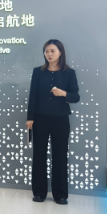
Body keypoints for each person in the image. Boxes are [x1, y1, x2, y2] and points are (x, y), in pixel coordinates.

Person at [26, 39, 80, 205]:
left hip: (60, 119)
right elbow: (33, 95)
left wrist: (64, 94)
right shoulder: (38, 72)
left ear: (60, 52)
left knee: (60, 155)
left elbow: (76, 97)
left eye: (52, 51)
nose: (49, 54)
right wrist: (30, 118)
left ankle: (60, 194)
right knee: (39, 155)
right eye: (46, 51)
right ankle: (39, 193)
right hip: (40, 118)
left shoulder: (69, 73)